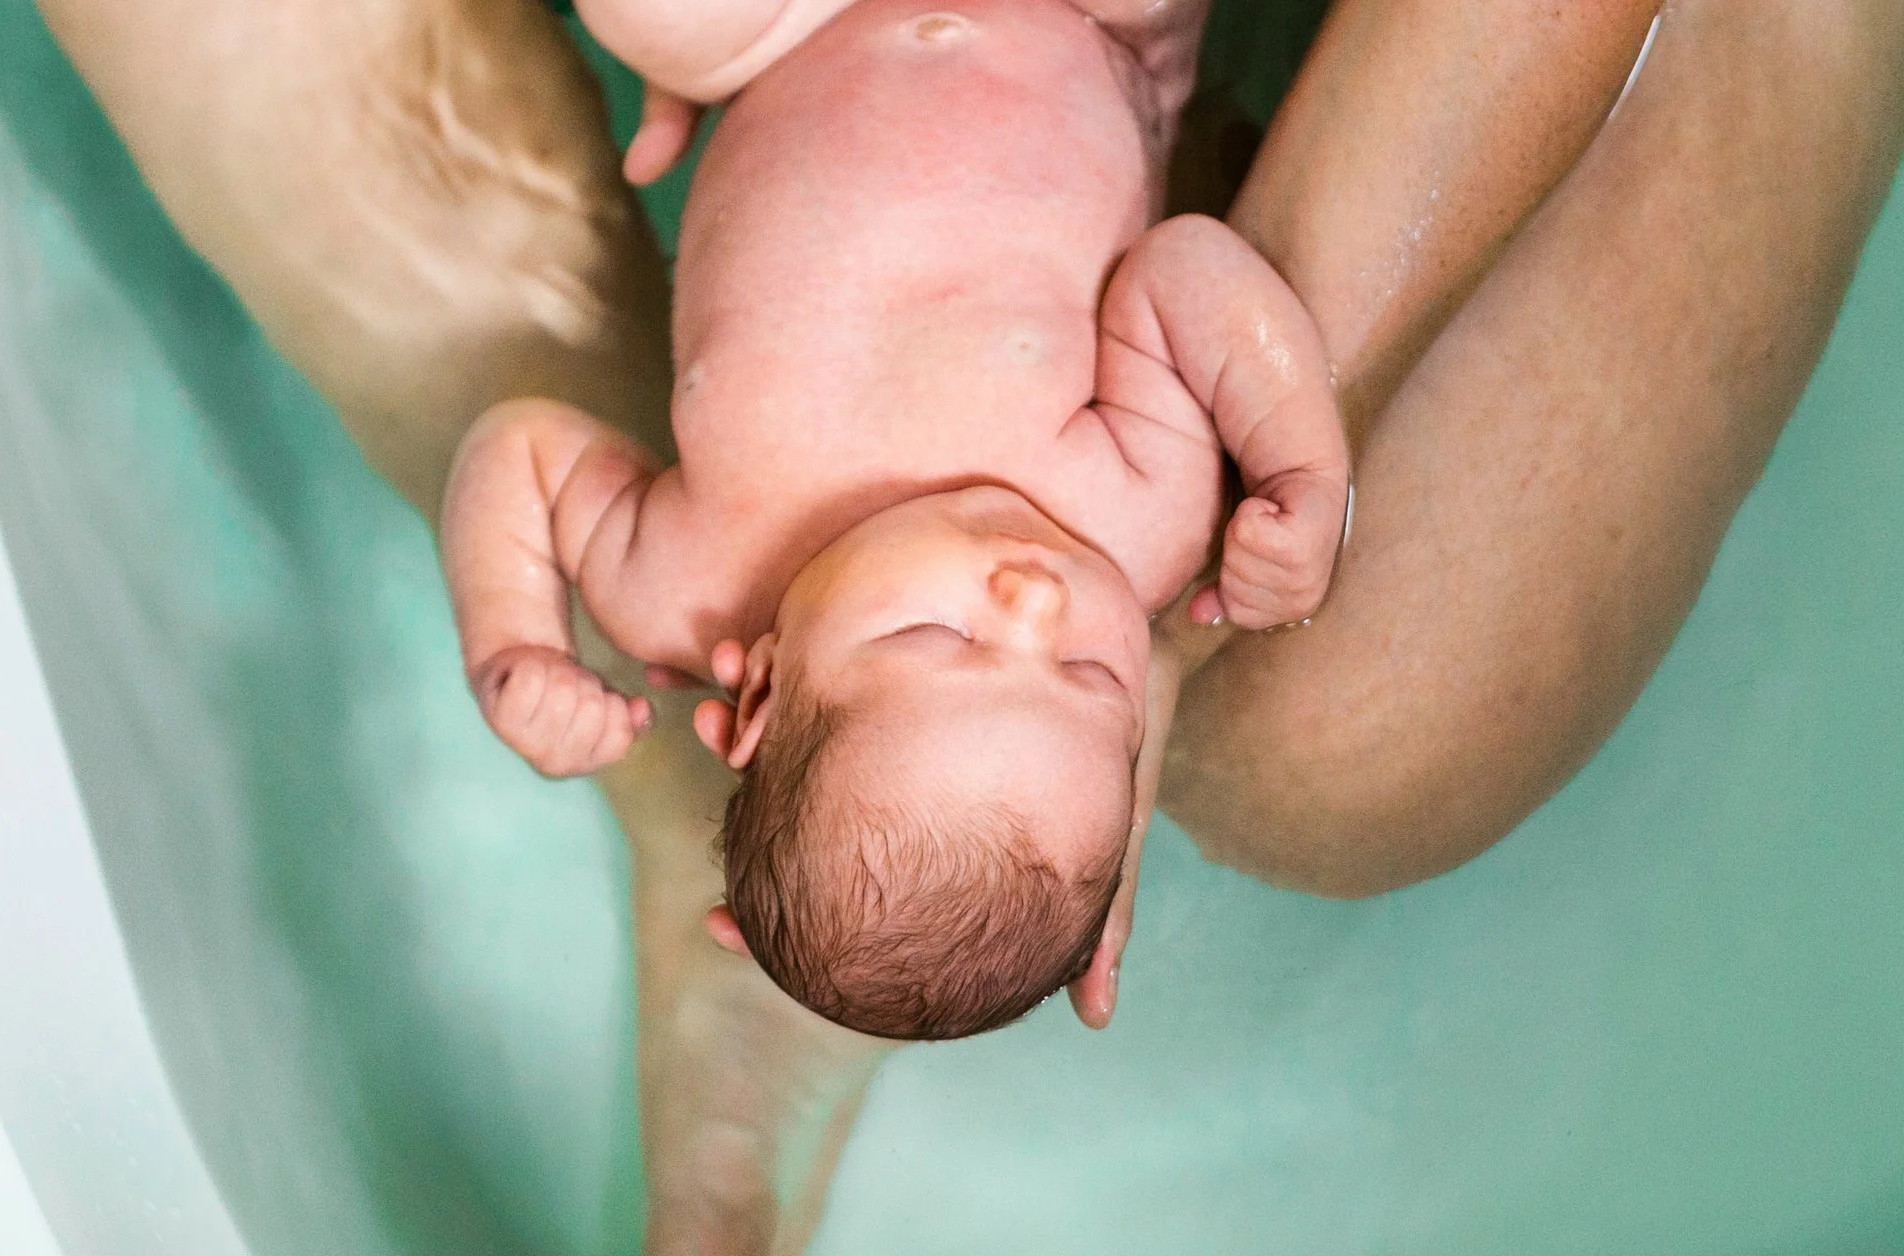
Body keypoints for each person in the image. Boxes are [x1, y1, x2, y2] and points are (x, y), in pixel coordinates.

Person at [36, 0, 1904, 1256]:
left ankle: (736, 724)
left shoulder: (702, 555)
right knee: (1361, 702)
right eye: (1060, 675)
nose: (1033, 613)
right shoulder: (1071, 513)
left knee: (1375, 725)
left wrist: (537, 627)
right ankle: (709, 778)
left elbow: (528, 484)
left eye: (974, 654)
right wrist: (1235, 474)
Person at [440, 0, 1351, 1044]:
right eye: (1093, 675)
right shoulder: (1134, 520)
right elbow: (1186, 268)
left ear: (762, 698)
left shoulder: (688, 585)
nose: (1032, 597)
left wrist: (513, 637)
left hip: (784, 34)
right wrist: (1301, 466)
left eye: (941, 638)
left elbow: (521, 457)